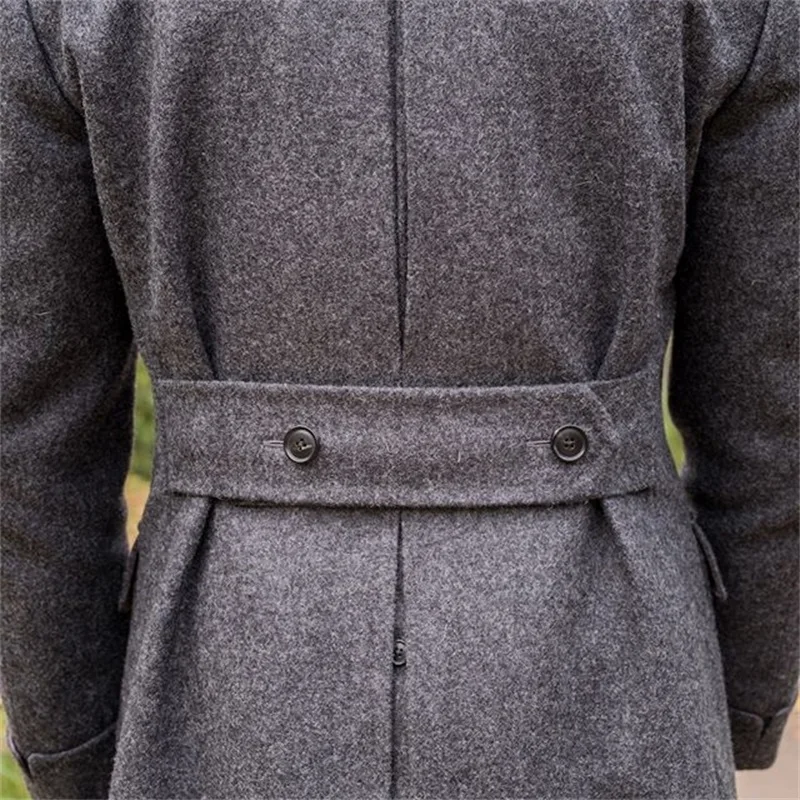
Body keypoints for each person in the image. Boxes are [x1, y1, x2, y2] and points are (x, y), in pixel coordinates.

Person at [1, 0, 798, 798]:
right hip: (617, 656)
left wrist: (71, 737)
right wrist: (740, 695)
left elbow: (32, 431)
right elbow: (773, 409)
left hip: (224, 664)